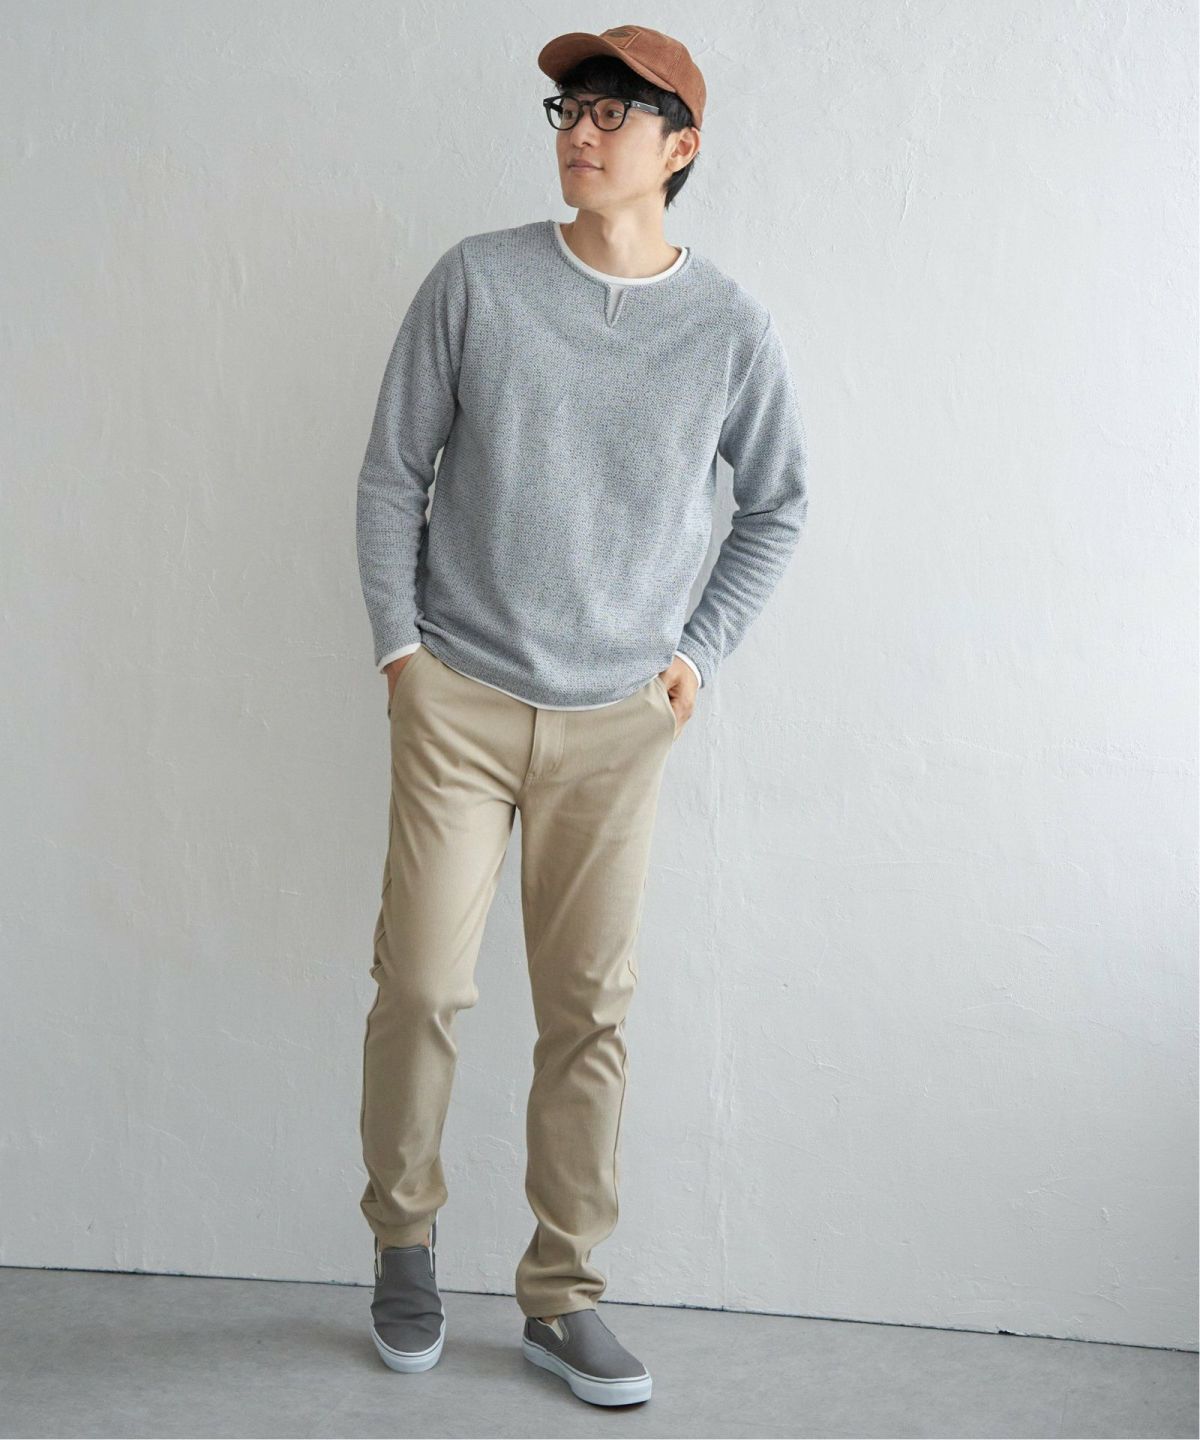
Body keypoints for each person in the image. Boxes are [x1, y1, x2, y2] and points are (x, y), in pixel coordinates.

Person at [355, 23, 810, 1408]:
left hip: (618, 719)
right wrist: (401, 654)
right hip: (459, 698)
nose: (581, 131)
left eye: (614, 111)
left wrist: (698, 653)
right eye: (569, 108)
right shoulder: (477, 282)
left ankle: (562, 1295)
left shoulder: (728, 329)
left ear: (680, 148)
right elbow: (393, 475)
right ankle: (404, 1242)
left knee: (588, 1014)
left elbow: (778, 506)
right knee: (421, 985)